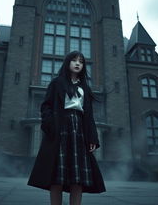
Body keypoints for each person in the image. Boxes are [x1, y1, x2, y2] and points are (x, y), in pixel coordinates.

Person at [28, 51, 105, 205]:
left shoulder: (85, 88)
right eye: (74, 60)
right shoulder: (57, 83)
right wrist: (49, 125)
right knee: (57, 176)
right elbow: (46, 106)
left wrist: (92, 138)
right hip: (60, 129)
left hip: (79, 130)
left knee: (78, 178)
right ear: (67, 63)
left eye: (81, 62)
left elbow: (89, 116)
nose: (78, 64)